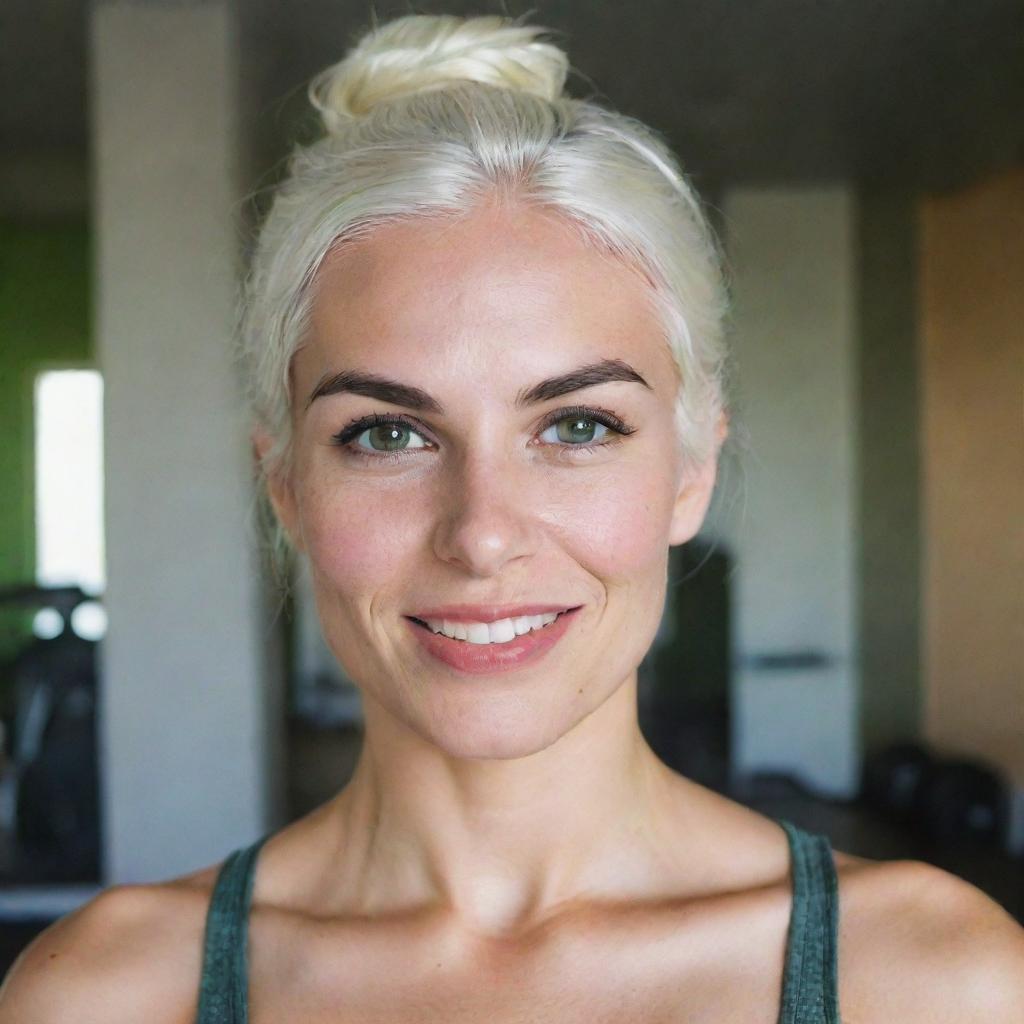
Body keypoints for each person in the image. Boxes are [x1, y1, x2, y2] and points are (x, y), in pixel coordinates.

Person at [2, 13, 1022, 1024]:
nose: (483, 534)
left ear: (692, 466)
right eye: (388, 434)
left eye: (576, 424)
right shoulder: (110, 994)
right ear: (286, 487)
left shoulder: (937, 982)